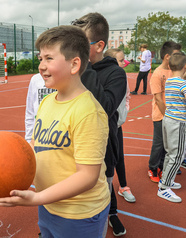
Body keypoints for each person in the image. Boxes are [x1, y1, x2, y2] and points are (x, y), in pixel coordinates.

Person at [0, 25, 110, 238]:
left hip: (79, 215)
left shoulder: (88, 112)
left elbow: (87, 176)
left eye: (48, 58)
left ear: (74, 64)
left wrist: (37, 198)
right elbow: (37, 147)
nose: (41, 66)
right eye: (40, 58)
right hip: (48, 205)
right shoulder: (47, 101)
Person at [72, 13, 128, 237]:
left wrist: (83, 67)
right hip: (70, 151)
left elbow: (104, 108)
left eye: (80, 44)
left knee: (95, 212)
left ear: (99, 45)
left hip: (100, 155)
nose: (73, 48)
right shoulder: (71, 69)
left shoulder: (116, 74)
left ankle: (109, 215)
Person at [158, 52, 186, 203]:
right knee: (177, 155)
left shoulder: (168, 82)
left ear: (169, 66)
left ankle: (166, 179)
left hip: (167, 120)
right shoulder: (185, 84)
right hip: (178, 122)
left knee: (170, 153)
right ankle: (164, 187)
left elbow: (176, 99)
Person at [104, 48, 136, 203]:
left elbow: (127, 97)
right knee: (104, 161)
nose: (125, 62)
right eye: (121, 60)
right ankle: (105, 193)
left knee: (119, 157)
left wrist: (123, 114)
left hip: (116, 125)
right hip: (104, 126)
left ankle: (123, 186)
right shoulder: (105, 77)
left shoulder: (121, 76)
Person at [148, 41, 182, 183]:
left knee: (168, 144)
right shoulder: (157, 74)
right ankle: (153, 167)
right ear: (167, 56)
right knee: (159, 143)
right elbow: (158, 99)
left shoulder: (175, 72)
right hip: (161, 115)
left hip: (174, 114)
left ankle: (162, 165)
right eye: (176, 55)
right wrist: (167, 115)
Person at [25, 73, 56, 143]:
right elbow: (30, 113)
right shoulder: (35, 79)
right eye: (40, 61)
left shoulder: (65, 78)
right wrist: (28, 139)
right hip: (39, 138)